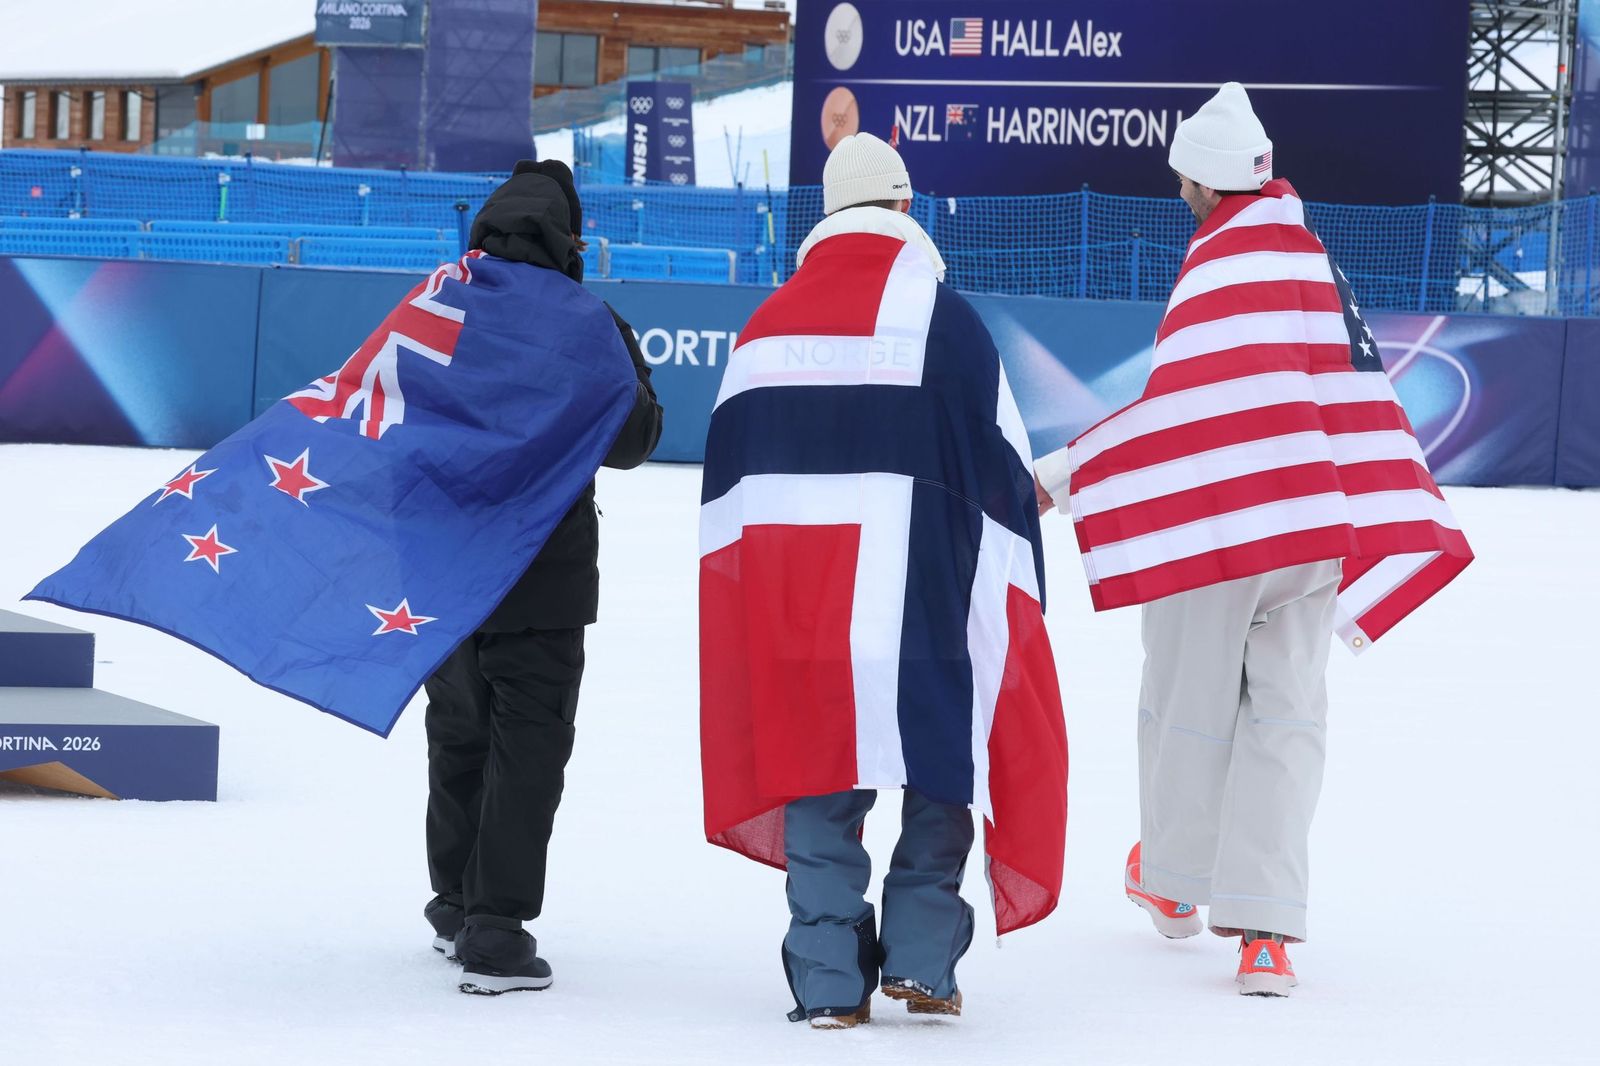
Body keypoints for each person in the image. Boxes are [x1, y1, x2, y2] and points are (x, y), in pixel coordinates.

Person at [1034, 83, 1471, 996]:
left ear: (1203, 179)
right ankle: (1265, 935)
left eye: (1181, 178)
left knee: (1186, 700)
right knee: (1285, 718)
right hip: (1312, 528)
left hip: (1226, 525)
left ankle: (1172, 886)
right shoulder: (1311, 257)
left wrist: (1065, 472)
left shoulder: (1219, 264)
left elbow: (1181, 413)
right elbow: (1351, 391)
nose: (1177, 193)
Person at [699, 133, 1068, 1029]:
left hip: (798, 600)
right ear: (906, 210)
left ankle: (828, 983)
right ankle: (924, 963)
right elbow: (1002, 480)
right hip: (922, 590)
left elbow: (726, 507)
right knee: (941, 760)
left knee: (820, 762)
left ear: (827, 216)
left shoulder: (763, 329)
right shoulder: (950, 323)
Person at [420, 160, 664, 995]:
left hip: (448, 575)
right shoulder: (590, 320)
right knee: (526, 748)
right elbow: (635, 440)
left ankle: (455, 903)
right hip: (541, 582)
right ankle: (494, 931)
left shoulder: (438, 306)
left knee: (459, 734)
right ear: (571, 241)